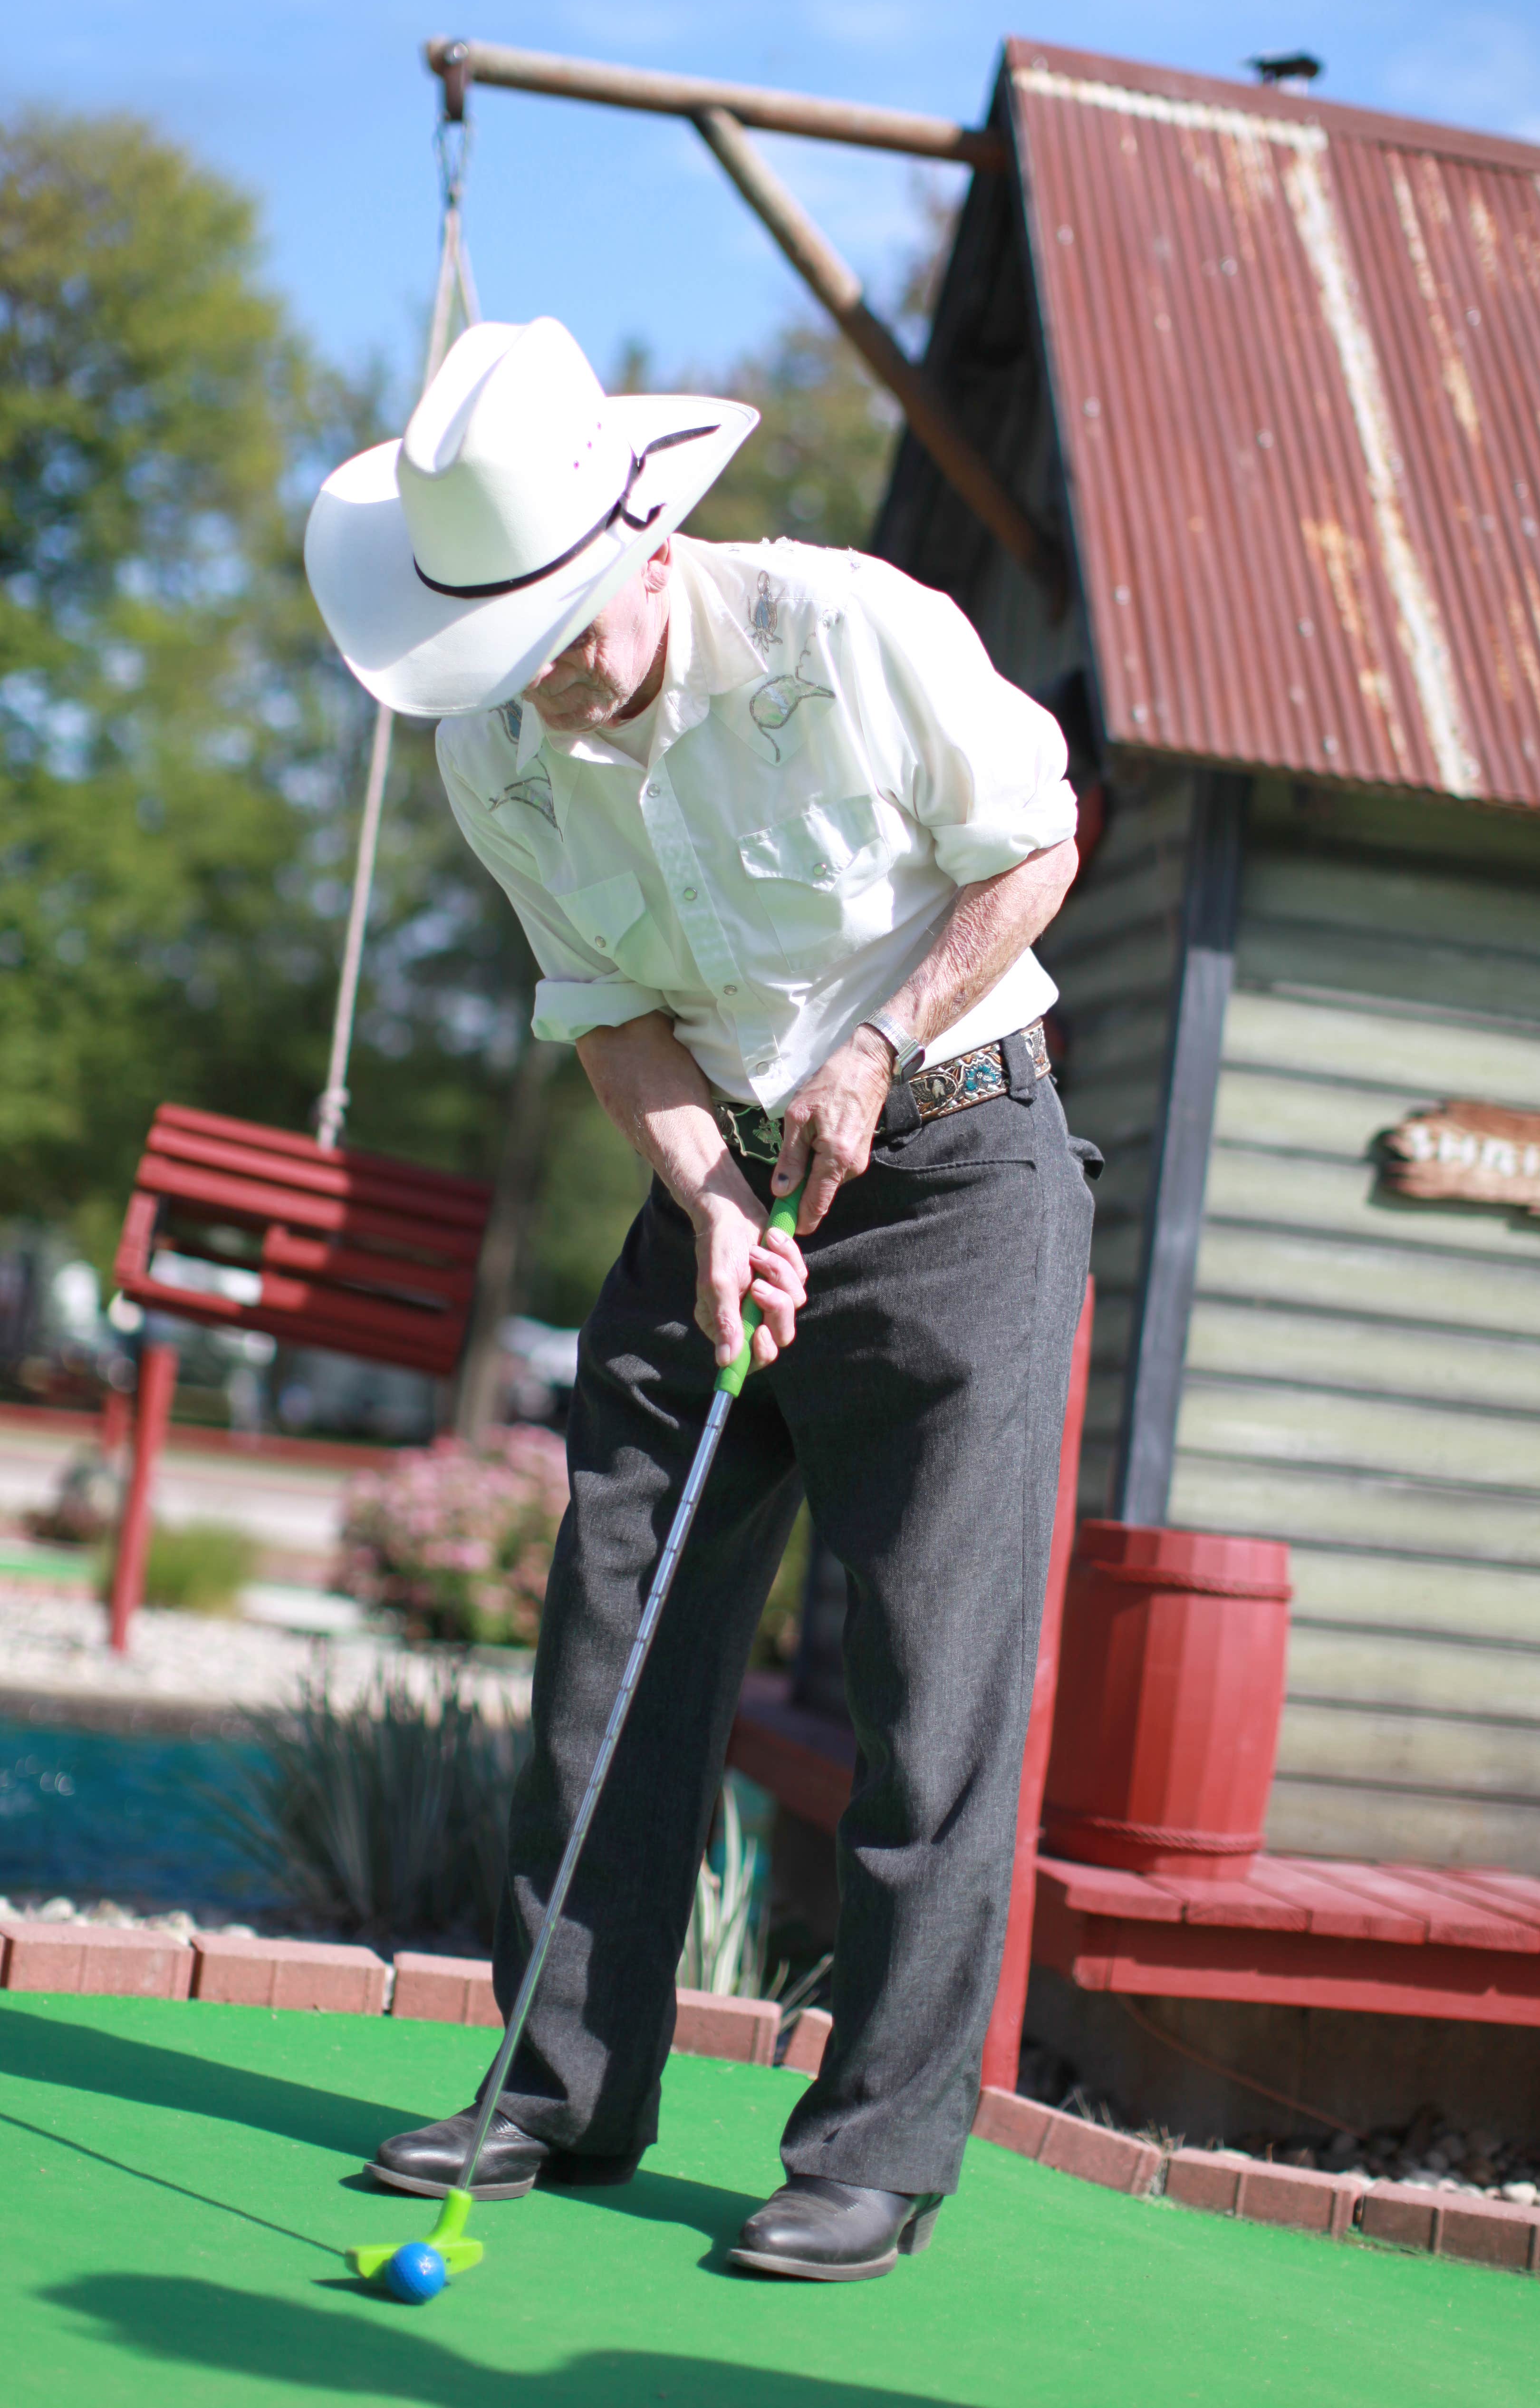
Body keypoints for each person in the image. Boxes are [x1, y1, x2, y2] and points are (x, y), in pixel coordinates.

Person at [305, 317, 1097, 2282]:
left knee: (929, 1676)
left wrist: (878, 1046)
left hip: (956, 1171)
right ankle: (562, 2084)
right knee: (612, 1635)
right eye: (506, 646)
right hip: (719, 1182)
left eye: (564, 628)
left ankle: (875, 2153)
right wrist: (711, 1193)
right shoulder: (496, 741)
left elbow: (1037, 840)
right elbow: (611, 1012)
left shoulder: (852, 632)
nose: (544, 682)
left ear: (648, 543)